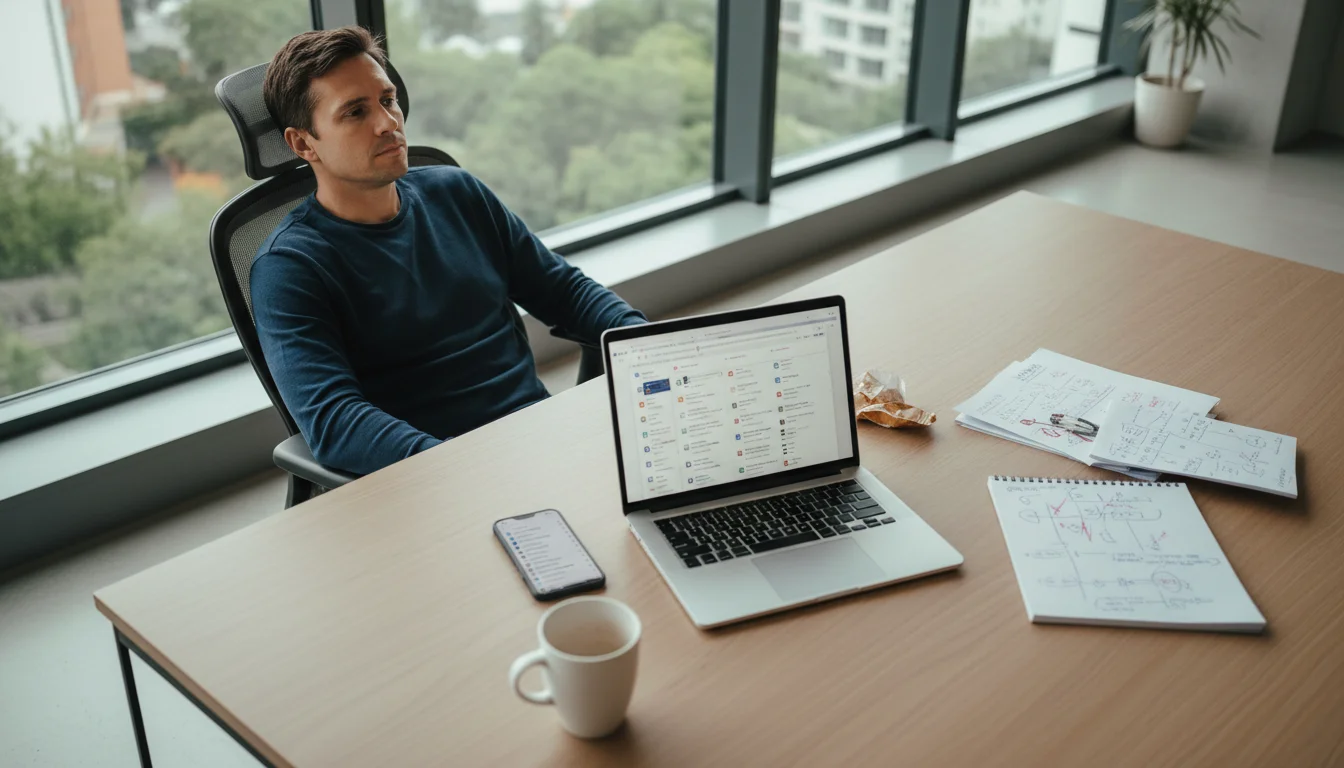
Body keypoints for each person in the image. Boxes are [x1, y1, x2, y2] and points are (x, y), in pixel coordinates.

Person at [252, 26, 645, 476]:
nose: (388, 123)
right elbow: (334, 421)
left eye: (387, 99)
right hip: (436, 477)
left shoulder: (456, 193)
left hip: (541, 442)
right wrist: (454, 467)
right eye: (355, 112)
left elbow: (565, 291)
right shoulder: (289, 268)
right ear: (303, 143)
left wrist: (644, 344)